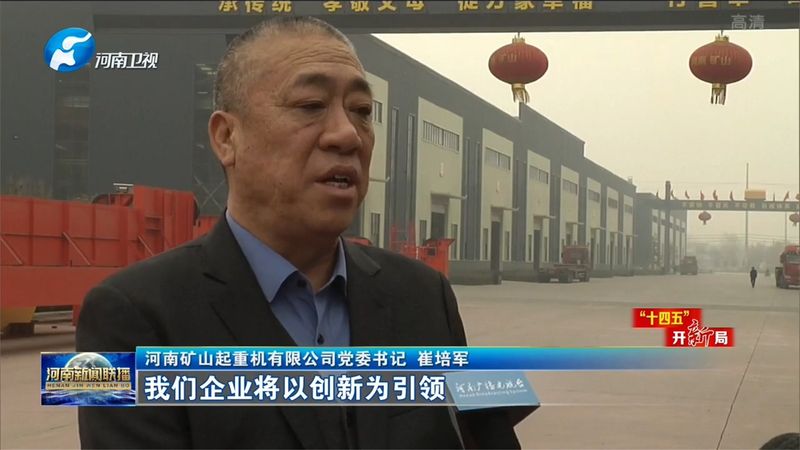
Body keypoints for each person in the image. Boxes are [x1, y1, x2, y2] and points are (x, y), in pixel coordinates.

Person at [76, 17, 520, 449]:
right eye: (310, 106)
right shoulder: (122, 316)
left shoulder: (426, 295)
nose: (348, 135)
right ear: (226, 137)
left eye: (362, 112)